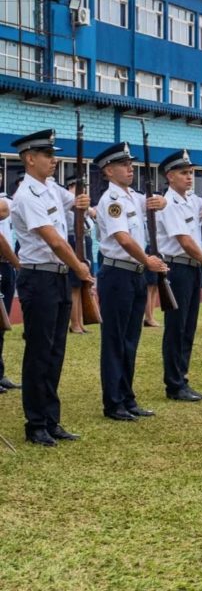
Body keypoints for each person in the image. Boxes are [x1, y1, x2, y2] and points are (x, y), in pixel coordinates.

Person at [11, 129, 93, 446]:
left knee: (56, 351)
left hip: (57, 277)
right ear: (30, 159)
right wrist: (81, 268)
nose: (53, 159)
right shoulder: (26, 195)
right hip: (40, 277)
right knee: (39, 353)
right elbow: (55, 240)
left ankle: (51, 419)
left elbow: (74, 202)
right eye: (47, 155)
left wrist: (82, 201)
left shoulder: (49, 189)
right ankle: (35, 424)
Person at [94, 142, 168, 421]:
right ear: (108, 171)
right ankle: (113, 402)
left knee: (130, 339)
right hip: (118, 273)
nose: (130, 169)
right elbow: (122, 238)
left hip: (134, 273)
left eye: (130, 164)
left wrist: (162, 201)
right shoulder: (111, 201)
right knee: (115, 340)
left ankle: (127, 397)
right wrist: (147, 259)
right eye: (124, 165)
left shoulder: (133, 196)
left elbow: (156, 203)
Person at [156, 149, 202, 402]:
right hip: (178, 266)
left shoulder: (192, 200)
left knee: (189, 326)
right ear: (170, 176)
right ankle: (174, 383)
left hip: (192, 268)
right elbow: (183, 239)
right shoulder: (169, 202)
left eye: (191, 172)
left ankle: (183, 377)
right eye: (183, 173)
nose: (189, 177)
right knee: (177, 327)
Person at [65, 175, 96, 335]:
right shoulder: (69, 201)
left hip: (84, 241)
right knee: (75, 285)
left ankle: (81, 322)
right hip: (73, 241)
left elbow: (93, 213)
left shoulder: (82, 201)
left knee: (84, 284)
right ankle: (75, 323)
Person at [0, 174, 21, 391]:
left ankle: (0, 373)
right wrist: (18, 263)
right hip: (5, 263)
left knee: (2, 323)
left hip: (5, 266)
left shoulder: (6, 200)